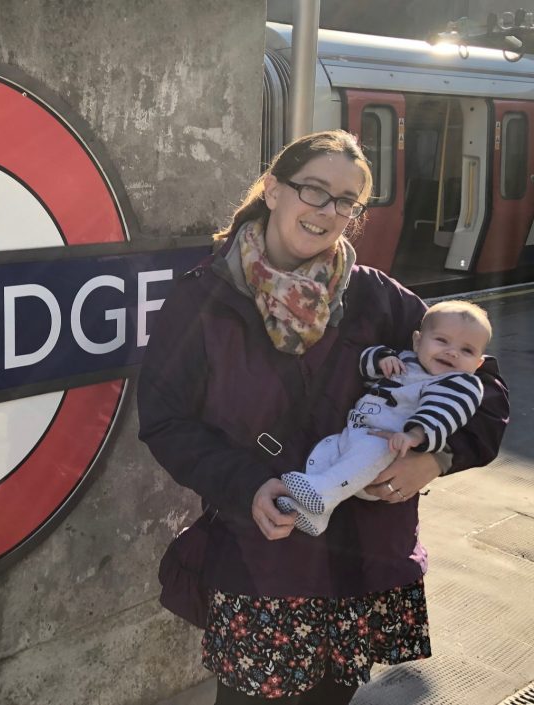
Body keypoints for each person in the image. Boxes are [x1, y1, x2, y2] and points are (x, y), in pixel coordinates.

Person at [137, 130, 508, 705]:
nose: (328, 212)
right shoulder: (202, 299)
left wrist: (435, 460)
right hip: (260, 552)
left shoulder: (377, 299)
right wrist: (245, 485)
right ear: (273, 189)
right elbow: (165, 419)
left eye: (346, 201)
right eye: (315, 190)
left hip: (351, 559)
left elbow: (484, 386)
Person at [278, 300, 492, 536]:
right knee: (326, 450)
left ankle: (321, 492)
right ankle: (314, 513)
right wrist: (381, 359)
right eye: (442, 340)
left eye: (467, 351)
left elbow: (442, 412)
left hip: (388, 448)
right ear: (418, 341)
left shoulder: (459, 383)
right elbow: (365, 364)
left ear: (479, 363)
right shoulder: (408, 360)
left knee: (369, 451)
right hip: (354, 434)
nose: (452, 352)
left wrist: (414, 435)